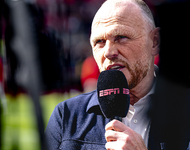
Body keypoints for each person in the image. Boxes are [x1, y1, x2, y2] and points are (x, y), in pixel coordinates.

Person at [45, 0, 160, 149]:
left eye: (121, 37)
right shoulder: (66, 116)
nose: (108, 52)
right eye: (99, 41)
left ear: (154, 42)